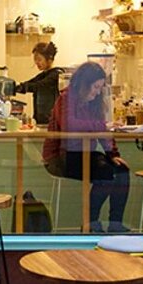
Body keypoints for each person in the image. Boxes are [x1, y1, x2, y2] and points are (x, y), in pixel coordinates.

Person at [42, 61, 130, 233]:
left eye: (100, 88)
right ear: (84, 85)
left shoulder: (95, 103)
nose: (97, 92)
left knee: (122, 171)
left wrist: (112, 154)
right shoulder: (66, 99)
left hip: (84, 154)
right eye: (95, 87)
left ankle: (115, 224)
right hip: (61, 157)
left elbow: (102, 131)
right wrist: (103, 125)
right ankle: (91, 223)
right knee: (105, 173)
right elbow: (70, 125)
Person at [15, 42, 63, 125]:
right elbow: (29, 83)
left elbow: (38, 86)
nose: (36, 62)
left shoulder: (56, 74)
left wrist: (21, 87)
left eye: (39, 59)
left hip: (51, 122)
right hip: (40, 120)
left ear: (50, 59)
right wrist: (16, 86)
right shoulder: (43, 75)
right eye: (35, 59)